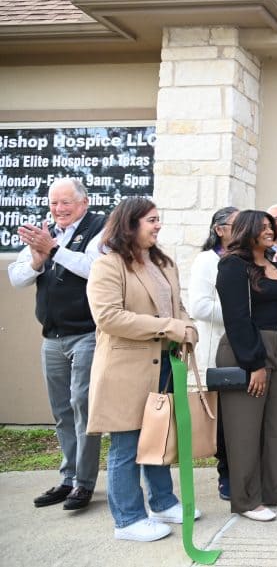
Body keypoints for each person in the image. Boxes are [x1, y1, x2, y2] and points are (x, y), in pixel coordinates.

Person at [85, 196, 199, 541]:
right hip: (125, 367)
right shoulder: (109, 264)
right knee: (127, 443)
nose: (158, 225)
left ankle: (163, 502)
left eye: (158, 219)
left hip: (165, 363)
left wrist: (187, 327)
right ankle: (128, 519)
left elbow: (177, 306)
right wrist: (167, 327)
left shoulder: (162, 262)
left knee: (157, 436)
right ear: (130, 223)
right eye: (151, 219)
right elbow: (108, 317)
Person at [7, 177, 104, 512]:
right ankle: (68, 478)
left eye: (66, 202)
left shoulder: (99, 229)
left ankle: (85, 483)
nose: (59, 209)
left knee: (82, 405)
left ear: (84, 202)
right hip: (52, 337)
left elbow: (95, 269)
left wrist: (53, 250)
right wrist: (36, 260)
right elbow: (17, 277)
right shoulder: (46, 233)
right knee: (62, 411)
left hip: (87, 334)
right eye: (53, 203)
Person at [216, 210, 277, 522]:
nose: (271, 230)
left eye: (272, 226)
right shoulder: (232, 265)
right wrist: (254, 363)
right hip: (247, 351)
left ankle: (274, 490)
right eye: (264, 226)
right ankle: (246, 499)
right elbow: (237, 318)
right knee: (245, 431)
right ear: (247, 230)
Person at [188, 206, 238, 502]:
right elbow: (200, 308)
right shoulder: (207, 261)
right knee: (222, 420)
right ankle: (227, 474)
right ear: (219, 229)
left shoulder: (251, 259)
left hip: (247, 349)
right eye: (236, 224)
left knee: (242, 417)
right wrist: (242, 316)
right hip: (218, 349)